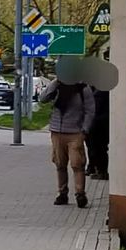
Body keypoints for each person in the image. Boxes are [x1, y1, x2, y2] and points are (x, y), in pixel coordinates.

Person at [39, 78, 96, 209]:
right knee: (60, 163)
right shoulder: (57, 86)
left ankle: (80, 194)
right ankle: (62, 193)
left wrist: (84, 129)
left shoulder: (82, 88)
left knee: (77, 164)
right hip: (57, 131)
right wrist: (55, 82)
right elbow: (43, 98)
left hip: (75, 132)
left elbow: (90, 110)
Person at [86, 85, 110, 181]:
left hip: (99, 124)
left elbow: (95, 108)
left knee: (99, 148)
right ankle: (95, 168)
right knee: (95, 148)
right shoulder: (97, 89)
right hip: (97, 123)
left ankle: (102, 171)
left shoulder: (101, 91)